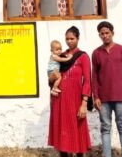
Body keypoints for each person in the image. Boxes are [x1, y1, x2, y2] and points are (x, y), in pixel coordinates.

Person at [91, 21, 122, 157]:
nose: (105, 36)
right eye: (102, 34)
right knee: (105, 129)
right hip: (103, 99)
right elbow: (94, 77)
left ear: (112, 33)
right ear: (99, 35)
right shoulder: (96, 53)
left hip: (121, 97)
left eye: (107, 33)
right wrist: (96, 97)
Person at [47, 26, 92, 157]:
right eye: (67, 39)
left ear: (78, 38)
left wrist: (84, 103)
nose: (69, 41)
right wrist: (51, 78)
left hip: (75, 100)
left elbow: (87, 81)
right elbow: (51, 77)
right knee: (62, 128)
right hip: (59, 98)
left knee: (78, 129)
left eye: (72, 38)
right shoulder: (60, 55)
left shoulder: (83, 57)